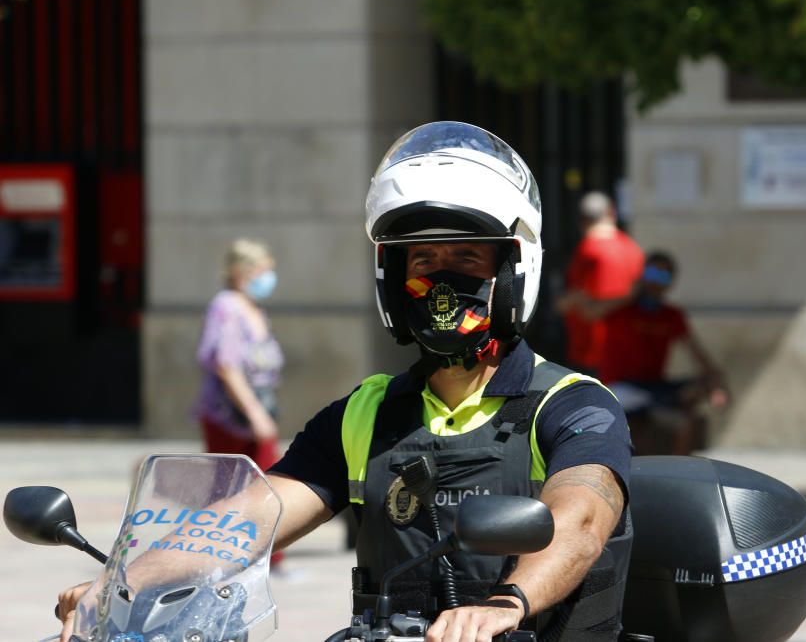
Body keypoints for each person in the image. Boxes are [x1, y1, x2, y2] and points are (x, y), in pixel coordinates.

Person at [57, 122, 633, 642]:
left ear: (511, 275)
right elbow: (250, 517)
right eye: (423, 263)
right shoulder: (368, 413)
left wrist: (507, 603)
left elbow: (581, 515)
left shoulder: (572, 405)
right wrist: (121, 586)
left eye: (466, 259)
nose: (441, 282)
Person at [573, 250, 728, 455]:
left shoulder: (671, 315)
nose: (655, 281)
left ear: (670, 283)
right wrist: (628, 296)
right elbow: (589, 312)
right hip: (620, 387)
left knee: (695, 396)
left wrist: (716, 384)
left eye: (663, 276)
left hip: (654, 388)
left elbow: (696, 352)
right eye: (652, 273)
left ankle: (679, 470)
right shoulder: (621, 308)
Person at [193, 238, 285, 566]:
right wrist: (255, 413)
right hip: (231, 416)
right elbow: (227, 365)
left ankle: (261, 557)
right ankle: (221, 556)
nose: (267, 279)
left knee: (262, 484)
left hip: (255, 409)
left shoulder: (252, 308)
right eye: (261, 271)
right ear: (240, 272)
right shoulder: (227, 306)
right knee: (232, 488)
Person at [557, 190, 644, 375]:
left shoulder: (588, 250)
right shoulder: (632, 248)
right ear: (612, 213)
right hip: (625, 351)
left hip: (591, 351)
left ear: (582, 220)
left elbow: (584, 306)